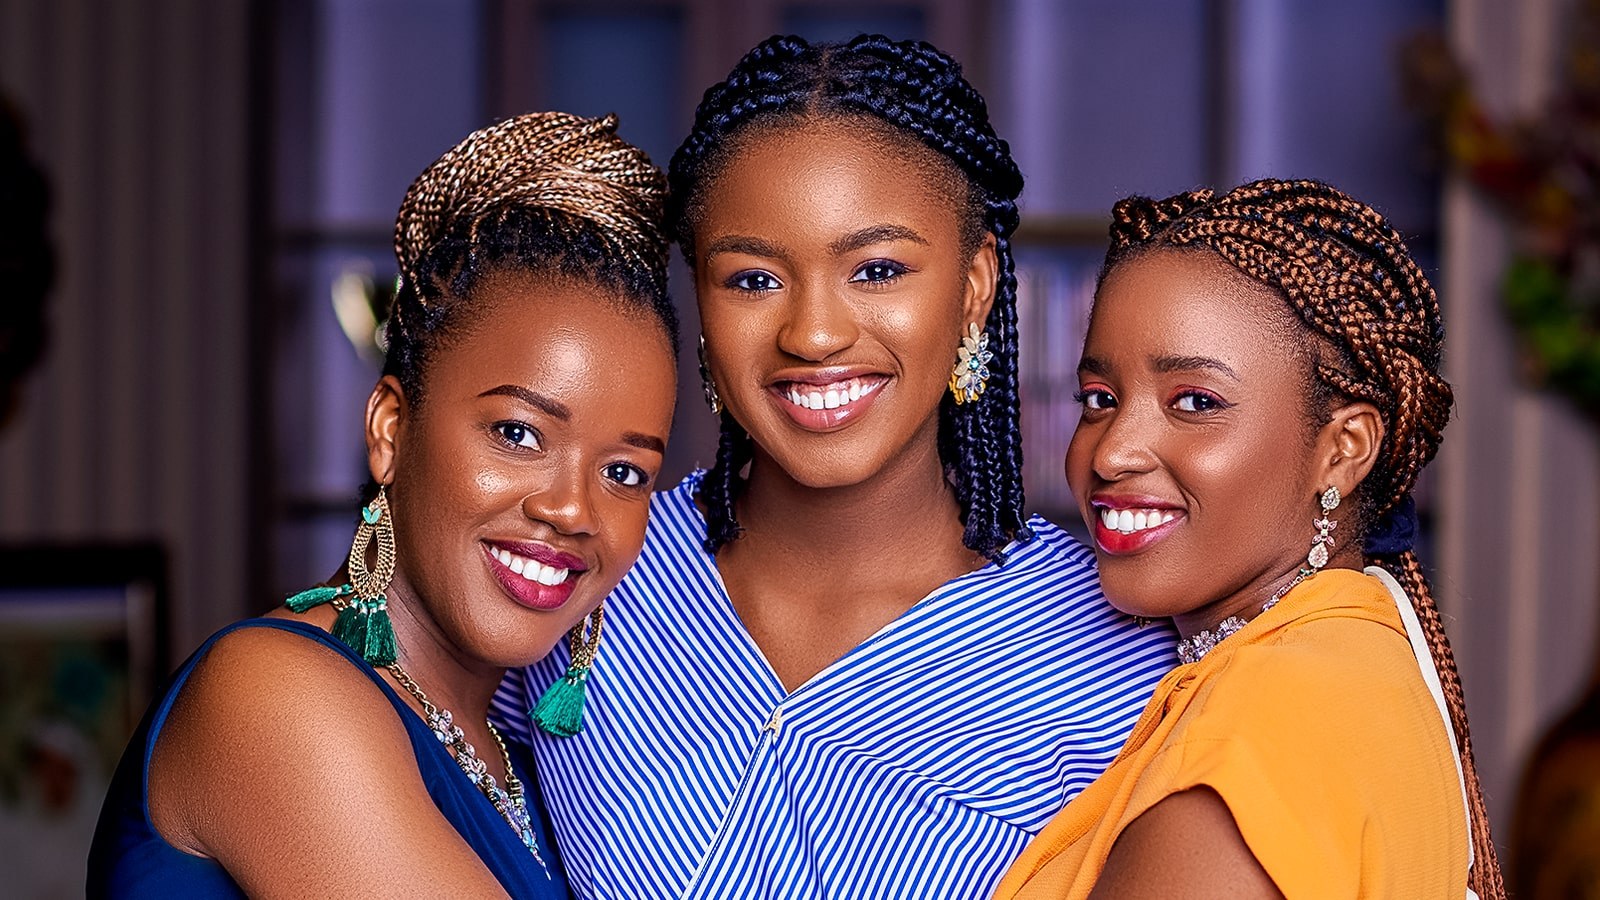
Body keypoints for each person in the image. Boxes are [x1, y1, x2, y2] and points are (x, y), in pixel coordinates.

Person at [491, 34, 1176, 899]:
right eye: (751, 280)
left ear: (974, 287)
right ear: (698, 299)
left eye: (877, 270)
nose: (813, 333)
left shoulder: (1124, 651)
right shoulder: (587, 562)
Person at [87, 111, 680, 897]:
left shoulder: (534, 773)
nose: (573, 509)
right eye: (519, 433)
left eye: (626, 473)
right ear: (391, 429)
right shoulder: (273, 695)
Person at [991, 179, 1504, 899]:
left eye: (1195, 402)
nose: (1111, 453)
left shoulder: (1266, 723)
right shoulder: (1355, 661)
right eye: (1100, 401)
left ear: (1343, 448)